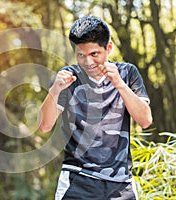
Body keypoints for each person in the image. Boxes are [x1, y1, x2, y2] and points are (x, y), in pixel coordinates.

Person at [38, 16, 152, 200]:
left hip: (121, 184)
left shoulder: (127, 73)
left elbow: (145, 120)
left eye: (94, 54)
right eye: (81, 55)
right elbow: (44, 126)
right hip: (77, 181)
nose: (88, 62)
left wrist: (120, 84)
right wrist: (54, 90)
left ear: (109, 48)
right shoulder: (67, 78)